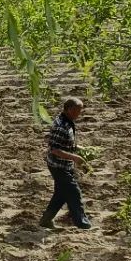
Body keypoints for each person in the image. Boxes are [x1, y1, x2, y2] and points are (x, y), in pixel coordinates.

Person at [40, 96, 92, 230]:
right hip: (58, 166)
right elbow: (55, 150)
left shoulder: (67, 121)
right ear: (69, 110)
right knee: (74, 192)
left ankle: (46, 220)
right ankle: (82, 223)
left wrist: (81, 149)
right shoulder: (61, 126)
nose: (79, 114)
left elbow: (66, 143)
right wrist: (75, 158)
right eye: (77, 111)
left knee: (61, 194)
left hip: (64, 164)